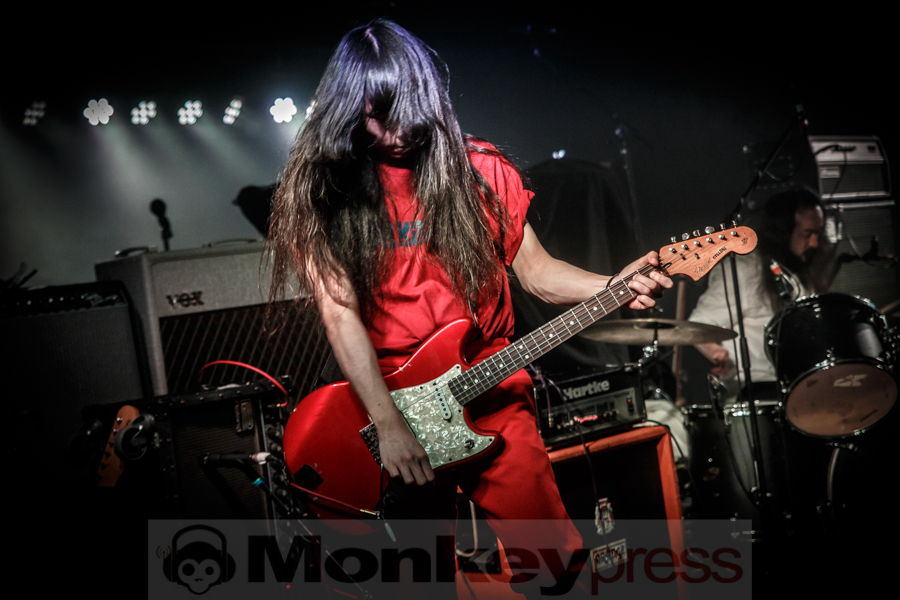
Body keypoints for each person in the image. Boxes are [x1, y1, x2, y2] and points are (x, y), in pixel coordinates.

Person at [266, 19, 671, 596]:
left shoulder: (479, 172)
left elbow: (536, 273)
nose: (400, 130)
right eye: (380, 115)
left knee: (557, 565)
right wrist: (387, 424)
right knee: (421, 579)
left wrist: (614, 283)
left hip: (492, 394)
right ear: (350, 108)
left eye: (411, 110)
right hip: (386, 404)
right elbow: (338, 312)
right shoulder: (326, 190)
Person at [690, 188, 828, 393]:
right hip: (758, 390)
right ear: (783, 231)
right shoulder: (743, 270)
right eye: (807, 234)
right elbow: (698, 325)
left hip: (800, 384)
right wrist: (716, 352)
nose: (814, 243)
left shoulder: (794, 269)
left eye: (818, 233)